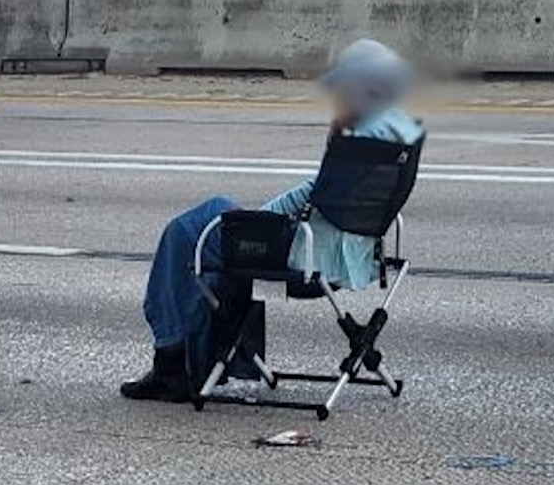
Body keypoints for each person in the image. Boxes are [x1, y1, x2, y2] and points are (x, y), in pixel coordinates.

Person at [121, 39, 425, 402]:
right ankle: (209, 358)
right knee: (220, 224)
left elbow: (317, 198)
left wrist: (265, 217)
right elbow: (330, 199)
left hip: (308, 253)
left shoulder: (354, 139)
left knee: (189, 231)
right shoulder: (400, 136)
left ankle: (172, 361)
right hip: (360, 254)